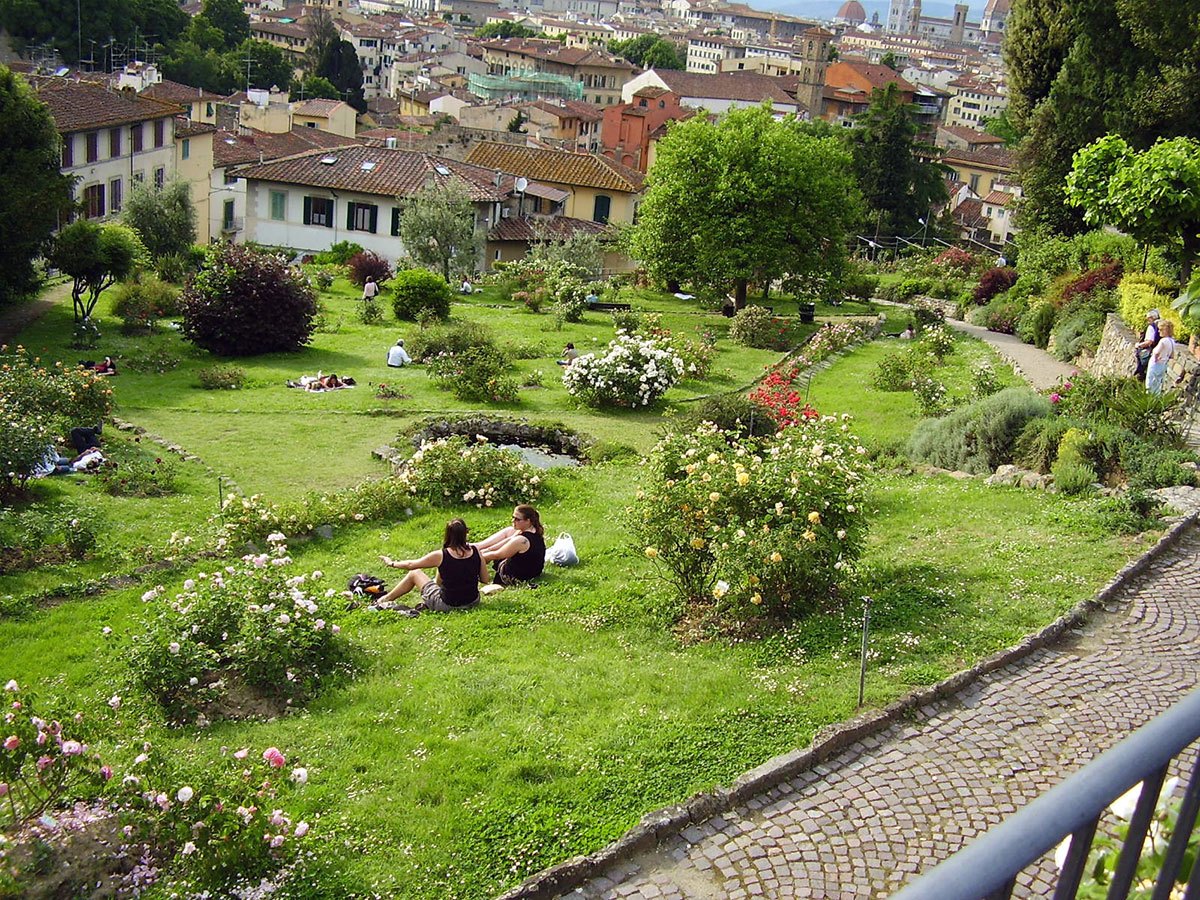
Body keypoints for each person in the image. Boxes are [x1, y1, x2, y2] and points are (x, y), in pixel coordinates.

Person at [377, 518, 489, 611]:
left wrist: (391, 563)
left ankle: (385, 599)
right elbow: (485, 579)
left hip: (447, 605)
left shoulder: (441, 555)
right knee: (441, 573)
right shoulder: (476, 551)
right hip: (473, 601)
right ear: (465, 533)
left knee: (415, 573)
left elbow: (411, 565)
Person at [475, 505, 546, 586]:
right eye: (513, 517)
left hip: (518, 575)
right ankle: (478, 547)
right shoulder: (534, 530)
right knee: (509, 531)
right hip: (534, 570)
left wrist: (478, 557)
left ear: (528, 521)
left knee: (484, 558)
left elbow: (496, 555)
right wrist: (488, 549)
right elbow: (509, 540)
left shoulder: (521, 540)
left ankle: (482, 579)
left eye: (517, 519)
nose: (513, 521)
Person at [1146, 319, 1176, 394]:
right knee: (1158, 384)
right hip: (1163, 364)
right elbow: (1172, 355)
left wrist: (1155, 358)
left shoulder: (1163, 341)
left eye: (1160, 330)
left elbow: (1156, 352)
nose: (1159, 331)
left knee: (1150, 383)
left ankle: (1150, 400)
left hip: (1156, 364)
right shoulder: (1172, 341)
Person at [1135, 309, 1161, 379]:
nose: (1147, 321)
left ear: (1152, 318)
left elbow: (1149, 342)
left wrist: (1138, 345)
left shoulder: (1152, 327)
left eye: (1148, 319)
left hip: (1151, 352)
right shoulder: (1162, 324)